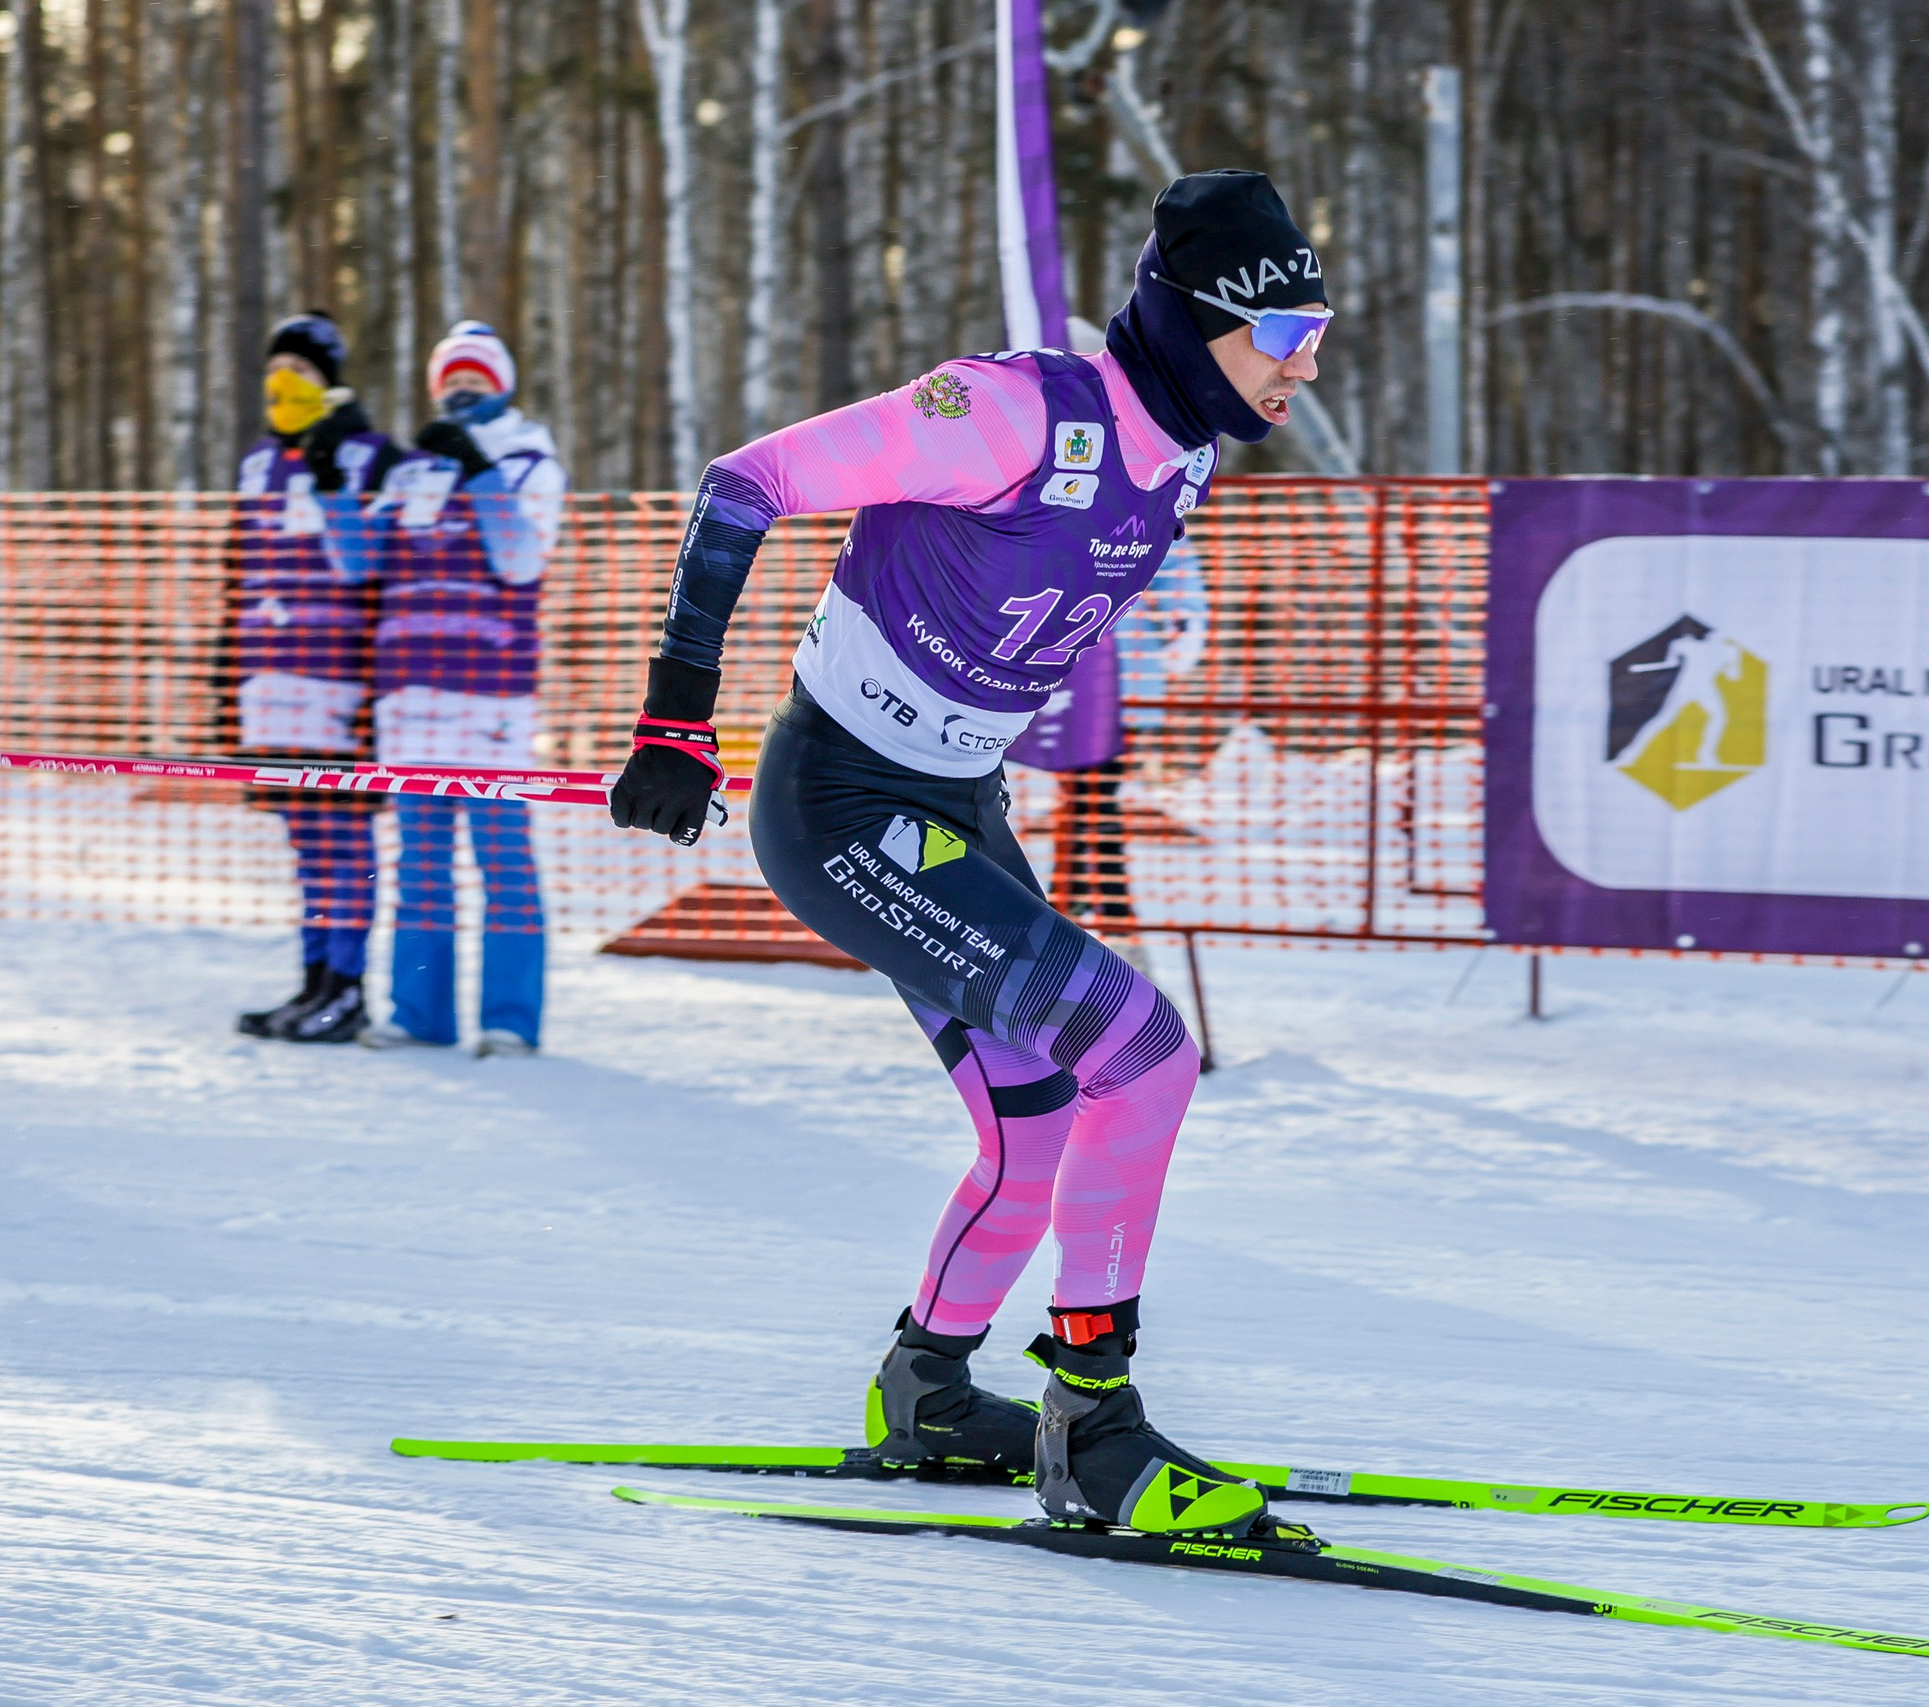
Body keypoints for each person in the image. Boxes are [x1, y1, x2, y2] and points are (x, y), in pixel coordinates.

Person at [609, 171, 1330, 1536]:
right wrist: (674, 718)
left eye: (1318, 335)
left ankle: (926, 1390)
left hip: (956, 806)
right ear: (1194, 322)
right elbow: (746, 483)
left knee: (1040, 1119)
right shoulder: (1008, 412)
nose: (1303, 366)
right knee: (1143, 1054)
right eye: (1282, 335)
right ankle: (1093, 1424)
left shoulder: (1185, 455)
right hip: (844, 807)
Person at [356, 322, 567, 1056]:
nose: (462, 392)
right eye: (451, 381)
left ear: (502, 385)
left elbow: (519, 559)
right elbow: (359, 563)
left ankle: (510, 1018)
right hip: (410, 693)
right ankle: (419, 1013)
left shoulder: (529, 459)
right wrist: (341, 477)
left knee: (501, 857)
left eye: (476, 379)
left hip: (490, 697)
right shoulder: (414, 469)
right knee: (419, 862)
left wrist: (477, 471)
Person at [230, 312, 403, 1044]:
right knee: (306, 841)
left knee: (344, 838)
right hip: (271, 682)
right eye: (274, 370)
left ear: (328, 377)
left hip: (342, 682)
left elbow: (371, 565)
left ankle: (347, 987)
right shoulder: (257, 462)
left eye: (299, 370)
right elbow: (241, 569)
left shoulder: (371, 455)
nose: (283, 383)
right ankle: (313, 982)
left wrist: (332, 473)